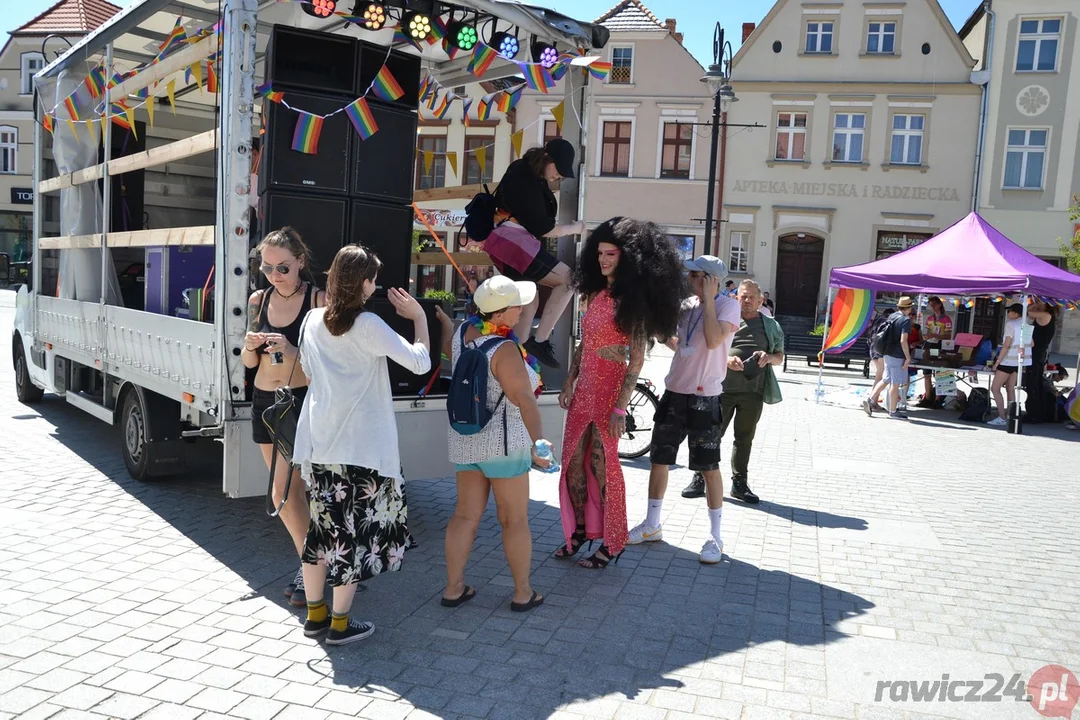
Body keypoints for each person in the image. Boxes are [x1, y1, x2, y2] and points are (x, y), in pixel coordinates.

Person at [291, 244, 431, 645]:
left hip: (319, 445)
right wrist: (418, 317)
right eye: (374, 279)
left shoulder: (312, 319)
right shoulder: (367, 324)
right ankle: (339, 624)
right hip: (361, 449)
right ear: (366, 284)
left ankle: (315, 616)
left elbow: (307, 370)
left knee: (322, 532)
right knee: (351, 537)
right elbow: (420, 363)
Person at [556, 218, 683, 569]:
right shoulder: (595, 294)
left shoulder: (633, 301)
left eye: (610, 254)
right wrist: (569, 382)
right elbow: (583, 344)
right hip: (584, 390)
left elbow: (637, 359)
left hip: (610, 389)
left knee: (604, 465)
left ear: (626, 257)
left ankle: (613, 541)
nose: (603, 260)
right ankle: (580, 531)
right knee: (573, 464)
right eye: (599, 254)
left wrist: (620, 408)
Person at [439, 276, 553, 612]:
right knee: (514, 519)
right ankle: (522, 592)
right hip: (505, 444)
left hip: (466, 440)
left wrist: (446, 324)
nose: (523, 310)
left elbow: (449, 349)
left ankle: (453, 588)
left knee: (464, 516)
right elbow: (524, 399)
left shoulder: (463, 332)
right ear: (502, 313)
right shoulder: (504, 348)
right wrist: (540, 443)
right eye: (518, 305)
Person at [626, 256, 740, 563]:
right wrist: (665, 335)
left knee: (708, 466)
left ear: (709, 279)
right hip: (675, 390)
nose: (688, 277)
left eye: (694, 274)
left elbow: (715, 341)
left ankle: (715, 537)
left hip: (705, 396)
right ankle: (652, 524)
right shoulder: (686, 304)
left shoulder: (728, 306)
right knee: (659, 459)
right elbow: (680, 342)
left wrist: (710, 300)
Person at [242, 227, 326, 608]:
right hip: (264, 400)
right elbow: (248, 363)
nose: (276, 275)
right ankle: (311, 563)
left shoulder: (318, 300)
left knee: (299, 492)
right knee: (283, 494)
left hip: (302, 400)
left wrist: (290, 349)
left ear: (301, 263)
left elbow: (329, 364)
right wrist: (248, 346)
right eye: (268, 267)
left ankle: (313, 566)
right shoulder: (258, 300)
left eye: (284, 267)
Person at [680, 279, 786, 506]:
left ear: (760, 301)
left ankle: (739, 483)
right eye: (742, 296)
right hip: (721, 388)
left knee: (744, 438)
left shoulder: (771, 325)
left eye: (751, 297)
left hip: (753, 391)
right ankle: (699, 478)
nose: (746, 300)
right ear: (736, 298)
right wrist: (726, 359)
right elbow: (709, 346)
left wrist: (769, 358)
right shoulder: (727, 320)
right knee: (711, 434)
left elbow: (779, 356)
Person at [483, 139, 586, 368]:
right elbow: (544, 228)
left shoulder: (524, 170)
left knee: (529, 297)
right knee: (569, 280)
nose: (557, 177)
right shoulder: (527, 179)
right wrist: (575, 229)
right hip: (515, 243)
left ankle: (516, 356)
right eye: (558, 172)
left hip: (504, 242)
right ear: (548, 160)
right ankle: (538, 342)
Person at [865, 296, 914, 420]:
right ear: (909, 308)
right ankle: (893, 411)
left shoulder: (892, 316)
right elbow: (903, 340)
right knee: (895, 383)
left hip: (886, 352)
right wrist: (908, 357)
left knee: (886, 379)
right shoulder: (905, 320)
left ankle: (871, 399)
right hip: (897, 354)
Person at [987, 303, 1031, 427]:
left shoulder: (1010, 325)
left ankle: (1001, 416)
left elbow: (1006, 345)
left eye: (1010, 311)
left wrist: (997, 362)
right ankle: (1011, 415)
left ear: (1016, 313)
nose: (1008, 314)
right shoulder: (1026, 325)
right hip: (1019, 361)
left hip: (1007, 361)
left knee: (995, 388)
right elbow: (1031, 343)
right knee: (1010, 388)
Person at [1023, 300, 1057, 423]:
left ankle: (1035, 413)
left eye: (1039, 301)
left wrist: (1033, 304)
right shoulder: (1047, 315)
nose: (1036, 303)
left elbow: (1028, 312)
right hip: (1038, 353)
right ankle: (1035, 412)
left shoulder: (1045, 315)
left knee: (1033, 384)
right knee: (1034, 383)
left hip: (1037, 354)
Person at [917, 296, 953, 407]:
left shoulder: (946, 319)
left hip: (940, 345)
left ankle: (938, 400)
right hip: (929, 344)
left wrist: (936, 335)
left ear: (939, 305)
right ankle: (927, 398)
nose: (932, 307)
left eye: (933, 305)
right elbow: (928, 332)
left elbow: (949, 335)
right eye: (930, 305)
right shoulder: (929, 319)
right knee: (926, 372)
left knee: (940, 373)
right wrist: (926, 336)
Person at [865, 308, 896, 412]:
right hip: (881, 350)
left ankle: (874, 400)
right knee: (882, 377)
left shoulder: (876, 320)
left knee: (879, 375)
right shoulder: (887, 321)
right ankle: (872, 400)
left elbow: (869, 335)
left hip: (873, 349)